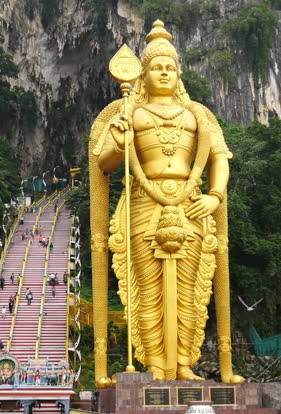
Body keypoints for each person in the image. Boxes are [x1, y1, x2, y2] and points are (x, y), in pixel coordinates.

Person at [88, 20, 243, 383]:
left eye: (169, 67)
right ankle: (156, 364)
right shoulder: (129, 114)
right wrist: (120, 139)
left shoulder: (198, 115)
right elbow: (104, 163)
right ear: (143, 74)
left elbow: (219, 159)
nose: (163, 73)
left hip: (191, 204)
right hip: (144, 202)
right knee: (149, 288)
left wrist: (214, 196)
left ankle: (186, 362)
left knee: (190, 290)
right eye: (156, 67)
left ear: (179, 73)